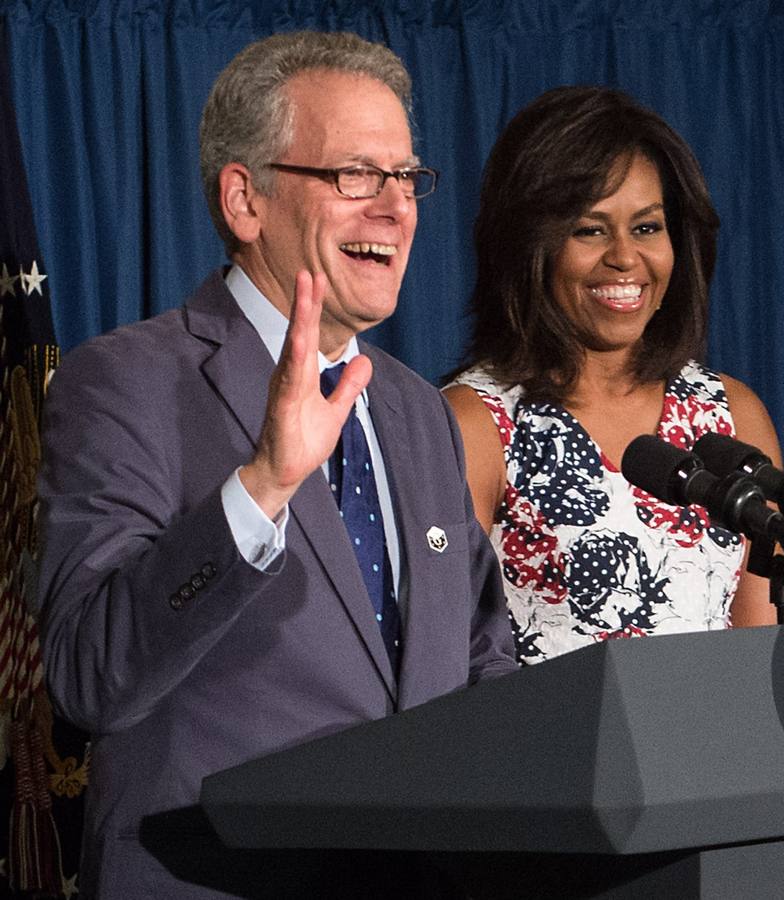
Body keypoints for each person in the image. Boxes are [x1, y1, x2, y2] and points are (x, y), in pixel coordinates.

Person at [36, 31, 517, 898]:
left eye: (406, 178)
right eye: (355, 175)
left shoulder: (415, 407)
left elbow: (479, 657)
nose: (395, 207)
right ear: (245, 200)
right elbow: (86, 677)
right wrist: (262, 486)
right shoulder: (127, 382)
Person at [445, 86, 782, 664]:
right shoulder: (475, 424)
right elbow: (446, 664)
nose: (625, 257)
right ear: (529, 247)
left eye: (647, 228)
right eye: (590, 230)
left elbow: (763, 657)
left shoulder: (731, 413)